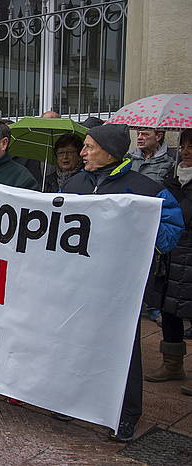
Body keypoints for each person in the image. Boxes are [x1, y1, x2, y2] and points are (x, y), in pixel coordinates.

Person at [61, 123, 184, 442]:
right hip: (78, 281)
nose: (82, 152)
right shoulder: (74, 183)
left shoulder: (145, 188)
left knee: (123, 348)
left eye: (89, 147)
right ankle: (74, 397)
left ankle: (127, 414)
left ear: (110, 152)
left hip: (120, 287)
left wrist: (142, 232)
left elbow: (171, 231)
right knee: (74, 339)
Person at [145, 129, 192, 394]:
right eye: (183, 146)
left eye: (191, 146)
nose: (186, 151)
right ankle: (172, 363)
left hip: (190, 254)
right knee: (168, 307)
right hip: (172, 255)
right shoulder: (171, 180)